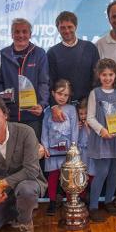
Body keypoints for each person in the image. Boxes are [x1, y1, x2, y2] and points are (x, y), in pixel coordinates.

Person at [0, 97, 47, 232]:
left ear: (5, 115)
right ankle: (13, 211)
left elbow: (31, 170)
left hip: (28, 181)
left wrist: (3, 183)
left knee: (26, 190)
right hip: (2, 191)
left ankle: (25, 220)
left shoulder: (26, 132)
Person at [86, 58, 116, 222]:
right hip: (102, 140)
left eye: (110, 74)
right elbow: (90, 117)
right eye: (104, 75)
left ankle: (108, 201)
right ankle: (92, 206)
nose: (107, 78)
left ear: (115, 75)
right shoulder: (95, 93)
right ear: (99, 75)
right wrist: (101, 130)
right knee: (102, 172)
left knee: (114, 172)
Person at [0, 18, 49, 140]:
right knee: (11, 155)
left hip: (32, 116)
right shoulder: (2, 54)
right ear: (11, 34)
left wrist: (42, 104)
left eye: (24, 31)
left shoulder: (39, 54)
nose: (21, 35)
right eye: (17, 32)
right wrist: (2, 105)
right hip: (9, 115)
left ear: (30, 34)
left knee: (33, 153)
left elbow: (43, 83)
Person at [47, 11, 99, 121]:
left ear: (76, 26)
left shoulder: (90, 48)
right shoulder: (52, 52)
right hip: (63, 109)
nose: (66, 31)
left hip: (88, 108)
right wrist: (54, 106)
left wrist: (94, 105)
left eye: (70, 27)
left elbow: (96, 79)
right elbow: (50, 82)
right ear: (58, 29)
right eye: (63, 27)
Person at [41, 79, 78, 216]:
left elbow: (75, 129)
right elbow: (44, 130)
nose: (62, 97)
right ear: (53, 93)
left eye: (66, 95)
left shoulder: (72, 110)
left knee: (68, 177)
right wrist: (45, 147)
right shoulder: (48, 111)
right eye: (59, 94)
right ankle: (52, 201)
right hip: (52, 151)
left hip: (68, 151)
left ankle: (70, 201)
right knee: (53, 176)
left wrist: (74, 148)